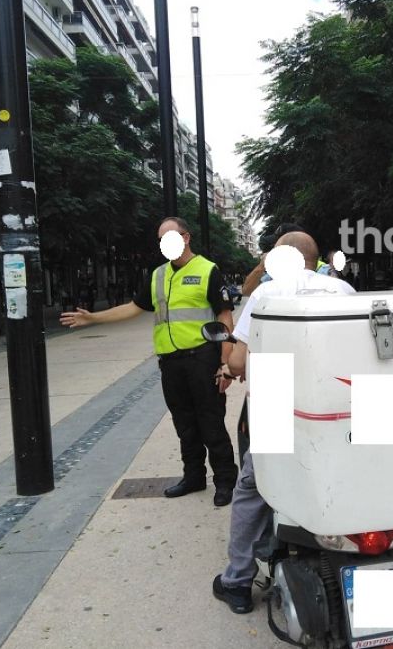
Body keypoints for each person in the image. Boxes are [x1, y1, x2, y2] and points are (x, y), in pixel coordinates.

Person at [212, 231, 356, 614]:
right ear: (314, 259)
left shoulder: (266, 293)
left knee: (252, 487)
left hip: (278, 399)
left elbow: (238, 361)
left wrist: (231, 367)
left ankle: (237, 581)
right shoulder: (342, 290)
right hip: (339, 400)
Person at [61, 217, 239, 506]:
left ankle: (225, 481)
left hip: (202, 359)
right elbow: (134, 307)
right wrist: (93, 318)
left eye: (171, 237)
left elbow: (224, 316)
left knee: (211, 423)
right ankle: (194, 477)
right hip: (170, 362)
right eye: (161, 240)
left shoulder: (208, 270)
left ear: (186, 237)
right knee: (184, 424)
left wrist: (225, 363)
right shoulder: (158, 275)